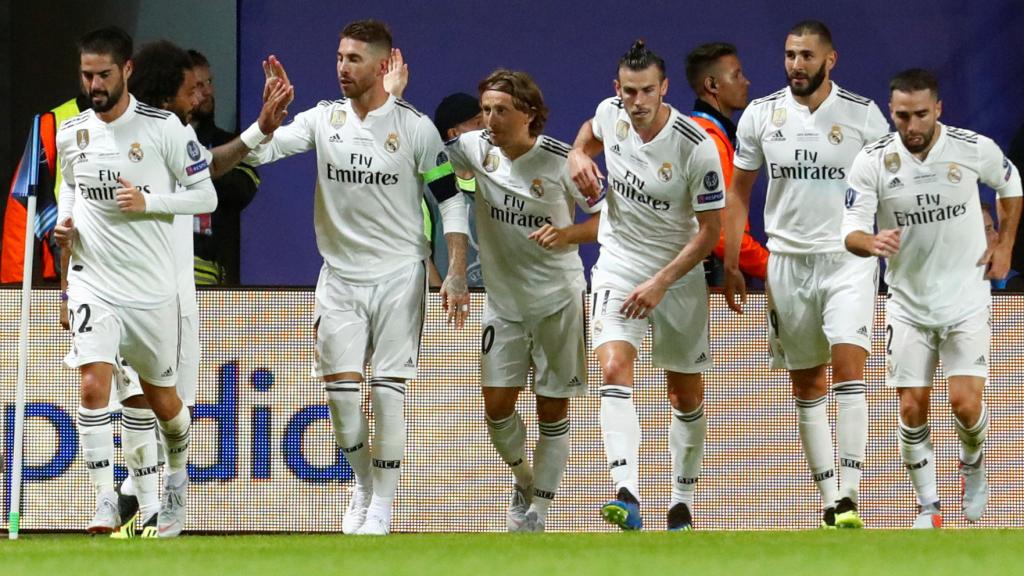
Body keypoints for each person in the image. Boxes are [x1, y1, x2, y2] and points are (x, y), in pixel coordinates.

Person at [239, 20, 471, 536]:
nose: (343, 67)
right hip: (340, 277)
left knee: (388, 392)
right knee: (342, 400)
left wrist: (455, 272)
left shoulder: (414, 127)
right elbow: (258, 153)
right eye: (340, 57)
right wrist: (265, 120)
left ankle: (383, 506)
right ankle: (363, 483)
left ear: (382, 65)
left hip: (398, 275)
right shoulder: (324, 120)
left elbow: (451, 201)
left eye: (354, 59)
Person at [723, 20, 889, 528]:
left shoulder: (863, 117)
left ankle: (852, 493)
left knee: (849, 367)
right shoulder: (761, 114)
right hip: (787, 263)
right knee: (807, 380)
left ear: (830, 60)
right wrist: (732, 260)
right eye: (791, 55)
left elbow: (893, 184)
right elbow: (738, 191)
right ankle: (828, 498)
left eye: (807, 56)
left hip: (847, 260)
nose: (797, 65)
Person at [53, 26, 216, 537]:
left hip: (150, 288)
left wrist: (151, 203)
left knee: (163, 400)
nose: (93, 84)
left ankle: (177, 481)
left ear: (126, 71)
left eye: (103, 74)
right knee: (91, 382)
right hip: (92, 280)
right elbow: (69, 187)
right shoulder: (72, 133)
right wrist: (65, 223)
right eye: (86, 74)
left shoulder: (164, 128)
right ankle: (104, 498)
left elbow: (206, 196)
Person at [843, 68, 1021, 528]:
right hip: (907, 301)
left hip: (965, 295)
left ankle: (974, 463)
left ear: (938, 109)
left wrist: (1004, 245)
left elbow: (1011, 185)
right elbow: (851, 231)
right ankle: (929, 508)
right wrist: (871, 242)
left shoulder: (971, 148)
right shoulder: (872, 161)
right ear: (891, 112)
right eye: (902, 115)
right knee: (910, 407)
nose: (912, 126)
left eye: (921, 114)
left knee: (964, 403)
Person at [568, 40, 724, 531]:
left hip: (676, 274)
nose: (637, 102)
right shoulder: (610, 114)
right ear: (618, 89)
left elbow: (710, 233)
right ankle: (627, 494)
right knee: (613, 367)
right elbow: (590, 135)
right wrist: (576, 153)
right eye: (629, 91)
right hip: (618, 262)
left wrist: (661, 281)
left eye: (647, 92)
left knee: (684, 395)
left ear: (665, 90)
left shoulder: (694, 146)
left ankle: (681, 502)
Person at [443, 69, 600, 532]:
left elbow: (611, 221)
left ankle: (538, 514)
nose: (490, 120)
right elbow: (430, 164)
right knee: (496, 406)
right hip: (503, 304)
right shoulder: (475, 150)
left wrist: (568, 233)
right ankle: (525, 479)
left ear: (529, 114)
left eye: (501, 111)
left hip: (557, 298)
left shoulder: (561, 162)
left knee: (552, 407)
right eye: (485, 110)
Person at [684, 42, 768, 284]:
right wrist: (775, 271)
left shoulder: (703, 133)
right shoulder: (709, 142)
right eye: (737, 75)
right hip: (711, 277)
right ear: (712, 85)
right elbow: (721, 234)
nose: (746, 82)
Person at [188, 49, 260, 285]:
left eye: (209, 82)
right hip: (159, 274)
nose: (207, 91)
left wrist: (187, 173)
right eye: (198, 85)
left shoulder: (229, 142)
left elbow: (243, 187)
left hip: (212, 278)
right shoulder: (158, 140)